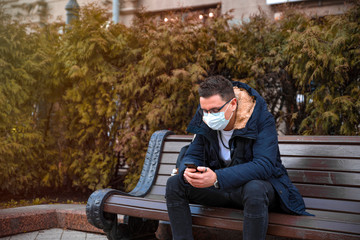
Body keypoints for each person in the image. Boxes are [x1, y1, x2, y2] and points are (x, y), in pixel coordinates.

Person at [165, 75, 310, 240]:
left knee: (255, 188)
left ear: (232, 104)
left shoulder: (261, 119)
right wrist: (187, 172)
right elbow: (193, 153)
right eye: (204, 110)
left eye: (214, 110)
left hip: (255, 193)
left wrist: (217, 177)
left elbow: (265, 165)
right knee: (175, 184)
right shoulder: (205, 120)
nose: (208, 116)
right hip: (222, 189)